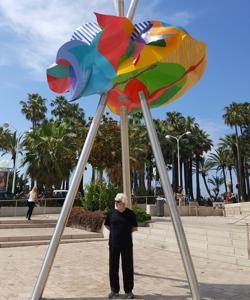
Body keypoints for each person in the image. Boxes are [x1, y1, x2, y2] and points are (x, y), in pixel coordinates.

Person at [104, 193, 138, 299]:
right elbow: (108, 225)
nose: (116, 203)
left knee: (127, 266)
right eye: (115, 201)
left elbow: (134, 228)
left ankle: (129, 291)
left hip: (127, 245)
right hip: (114, 244)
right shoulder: (111, 213)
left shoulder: (130, 214)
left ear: (123, 203)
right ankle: (114, 290)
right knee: (113, 267)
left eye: (118, 201)